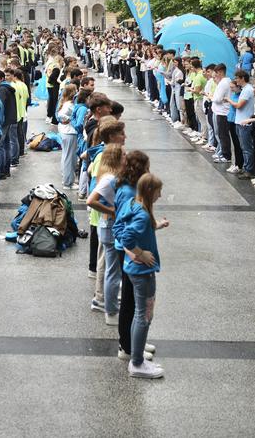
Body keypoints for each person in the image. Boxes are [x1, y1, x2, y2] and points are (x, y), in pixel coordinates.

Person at [117, 173, 168, 379]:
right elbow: (128, 236)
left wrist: (155, 226)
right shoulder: (142, 214)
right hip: (142, 272)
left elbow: (120, 227)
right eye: (158, 192)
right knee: (144, 315)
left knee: (141, 314)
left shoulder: (133, 203)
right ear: (149, 191)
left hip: (134, 269)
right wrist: (140, 253)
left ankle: (137, 357)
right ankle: (137, 362)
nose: (160, 196)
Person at [87, 144, 125, 326]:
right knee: (112, 270)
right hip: (109, 225)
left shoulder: (109, 176)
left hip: (108, 224)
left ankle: (106, 302)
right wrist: (111, 210)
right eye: (123, 155)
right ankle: (109, 308)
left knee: (111, 268)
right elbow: (91, 200)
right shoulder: (109, 178)